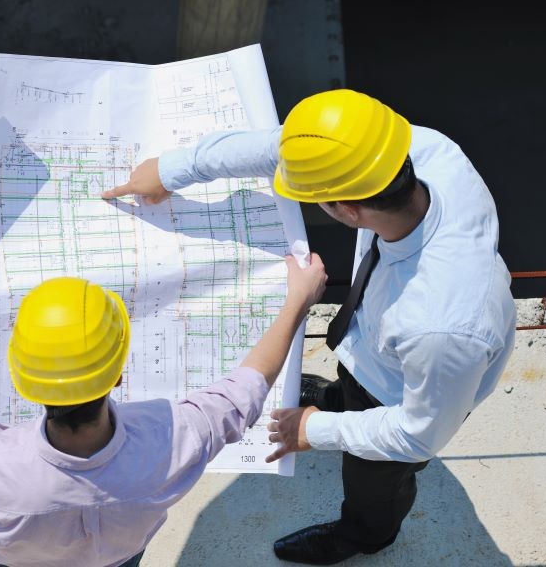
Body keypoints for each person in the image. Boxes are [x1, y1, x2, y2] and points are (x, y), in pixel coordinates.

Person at [102, 89, 517, 564]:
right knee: (347, 388)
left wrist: (313, 431)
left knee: (375, 483)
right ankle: (338, 397)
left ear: (347, 210)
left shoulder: (441, 324)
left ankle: (363, 536)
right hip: (385, 354)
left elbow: (419, 433)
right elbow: (286, 146)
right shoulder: (425, 152)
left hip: (402, 392)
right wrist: (176, 168)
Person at [0, 253, 327, 566]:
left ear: (28, 385)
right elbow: (245, 393)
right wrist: (297, 303)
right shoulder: (171, 438)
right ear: (116, 377)